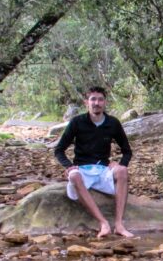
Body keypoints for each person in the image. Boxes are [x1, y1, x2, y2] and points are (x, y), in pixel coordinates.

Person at [53, 86, 134, 238]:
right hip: (82, 170)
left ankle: (118, 224)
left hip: (103, 170)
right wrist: (69, 166)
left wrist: (120, 163)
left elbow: (127, 151)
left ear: (105, 103)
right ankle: (103, 223)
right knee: (74, 176)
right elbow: (59, 150)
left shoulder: (113, 123)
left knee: (122, 171)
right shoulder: (77, 122)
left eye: (100, 99)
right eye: (93, 99)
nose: (97, 103)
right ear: (86, 102)